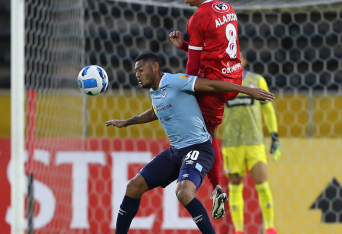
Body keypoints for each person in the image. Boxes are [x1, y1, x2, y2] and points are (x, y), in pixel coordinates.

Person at [106, 53, 274, 234]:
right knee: (133, 187)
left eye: (140, 69)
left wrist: (248, 90)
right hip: (175, 152)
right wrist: (127, 122)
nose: (137, 74)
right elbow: (154, 112)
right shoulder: (155, 92)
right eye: (135, 71)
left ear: (155, 67)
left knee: (184, 193)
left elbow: (211, 84)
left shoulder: (176, 81)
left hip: (199, 148)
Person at [169, 0, 243, 219]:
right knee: (205, 132)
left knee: (205, 138)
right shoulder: (228, 8)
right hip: (233, 79)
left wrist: (185, 89)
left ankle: (216, 187)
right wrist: (186, 46)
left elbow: (192, 67)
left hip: (214, 86)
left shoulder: (198, 18)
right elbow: (217, 48)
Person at [221, 52, 281, 234]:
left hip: (254, 141)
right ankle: (239, 230)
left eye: (237, 58)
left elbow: (268, 110)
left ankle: (269, 227)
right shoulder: (221, 84)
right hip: (231, 143)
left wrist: (274, 136)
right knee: (235, 184)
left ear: (244, 61)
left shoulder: (257, 80)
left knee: (262, 181)